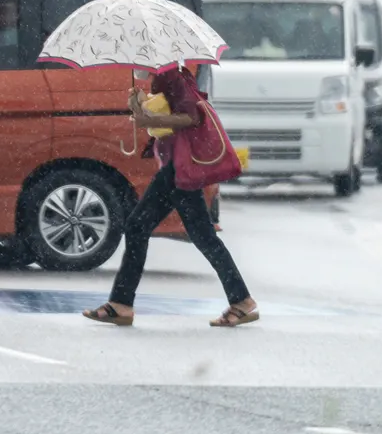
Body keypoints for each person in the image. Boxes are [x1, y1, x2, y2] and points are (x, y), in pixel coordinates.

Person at [83, 65, 258, 328]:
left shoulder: (172, 76)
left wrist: (150, 121)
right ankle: (241, 300)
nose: (136, 65)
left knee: (141, 227)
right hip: (175, 166)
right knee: (196, 235)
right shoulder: (165, 77)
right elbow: (166, 116)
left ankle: (121, 303)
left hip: (178, 168)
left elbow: (191, 117)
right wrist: (139, 107)